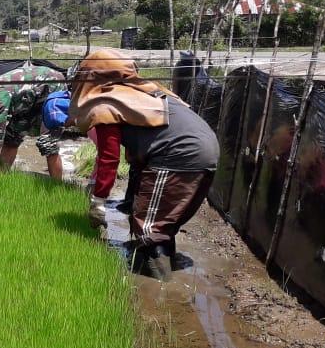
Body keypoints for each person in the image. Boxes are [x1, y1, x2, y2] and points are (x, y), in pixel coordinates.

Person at [68, 48, 219, 281]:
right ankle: (162, 269)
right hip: (205, 149)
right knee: (161, 222)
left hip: (178, 153)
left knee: (150, 228)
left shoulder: (108, 102)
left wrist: (98, 201)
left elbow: (109, 158)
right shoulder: (149, 89)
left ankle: (159, 291)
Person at [0, 65, 66, 176]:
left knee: (48, 143)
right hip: (29, 100)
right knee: (11, 137)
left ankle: (57, 184)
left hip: (52, 87)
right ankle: (0, 176)